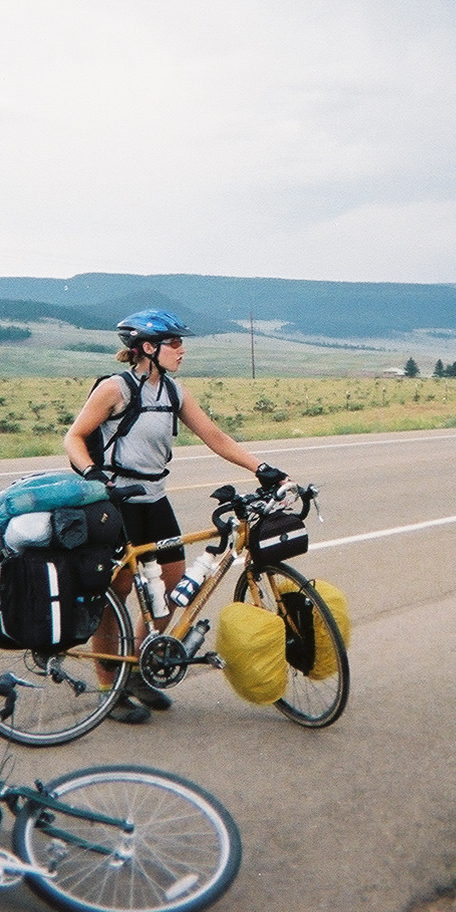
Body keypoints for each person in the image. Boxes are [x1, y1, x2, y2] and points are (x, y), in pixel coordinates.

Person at [65, 308, 291, 724]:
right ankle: (108, 688)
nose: (181, 349)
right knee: (116, 593)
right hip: (117, 501)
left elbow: (214, 436)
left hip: (155, 499)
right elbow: (74, 437)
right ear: (148, 348)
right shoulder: (116, 388)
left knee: (171, 590)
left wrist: (260, 467)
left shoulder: (173, 391)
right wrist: (94, 474)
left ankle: (136, 671)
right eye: (174, 342)